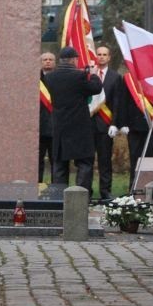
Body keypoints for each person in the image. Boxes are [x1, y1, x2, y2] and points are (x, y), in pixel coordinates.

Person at [44, 46, 103, 199]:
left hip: (59, 127)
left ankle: (58, 198)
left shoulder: (50, 77)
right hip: (79, 127)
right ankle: (80, 198)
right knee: (84, 163)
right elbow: (96, 89)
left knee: (59, 164)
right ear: (74, 60)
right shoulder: (80, 76)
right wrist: (94, 75)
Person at [90, 45, 124, 200]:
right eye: (99, 54)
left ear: (109, 57)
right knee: (86, 161)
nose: (101, 57)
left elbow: (117, 102)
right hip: (88, 124)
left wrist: (114, 124)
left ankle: (105, 192)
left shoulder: (115, 77)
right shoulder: (88, 74)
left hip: (105, 125)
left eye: (104, 54)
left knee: (105, 161)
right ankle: (86, 192)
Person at [118, 72, 153, 193]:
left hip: (152, 125)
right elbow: (123, 100)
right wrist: (123, 122)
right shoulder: (128, 79)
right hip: (134, 125)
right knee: (135, 159)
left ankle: (151, 190)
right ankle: (134, 189)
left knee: (151, 158)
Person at [39, 51, 56, 183]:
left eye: (50, 59)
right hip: (38, 128)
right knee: (37, 162)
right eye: (45, 59)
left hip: (56, 128)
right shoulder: (34, 79)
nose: (48, 61)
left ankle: (55, 189)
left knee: (55, 162)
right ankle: (36, 188)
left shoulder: (59, 78)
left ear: (55, 63)